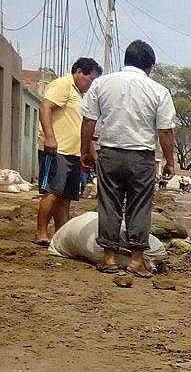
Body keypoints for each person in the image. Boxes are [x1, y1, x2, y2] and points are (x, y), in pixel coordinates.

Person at [79, 40, 176, 277]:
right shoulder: (159, 91)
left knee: (109, 204)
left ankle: (109, 259)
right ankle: (136, 261)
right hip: (142, 158)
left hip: (110, 153)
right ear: (150, 66)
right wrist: (171, 163)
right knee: (139, 207)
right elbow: (165, 131)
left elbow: (88, 121)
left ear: (126, 60)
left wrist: (85, 151)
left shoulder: (101, 84)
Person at [33, 57, 103, 245]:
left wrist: (91, 153)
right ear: (79, 72)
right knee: (52, 192)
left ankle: (60, 235)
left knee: (66, 198)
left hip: (74, 154)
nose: (90, 84)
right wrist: (50, 137)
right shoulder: (63, 85)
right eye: (89, 79)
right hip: (58, 151)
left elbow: (80, 127)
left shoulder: (81, 96)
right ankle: (41, 233)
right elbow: (45, 107)